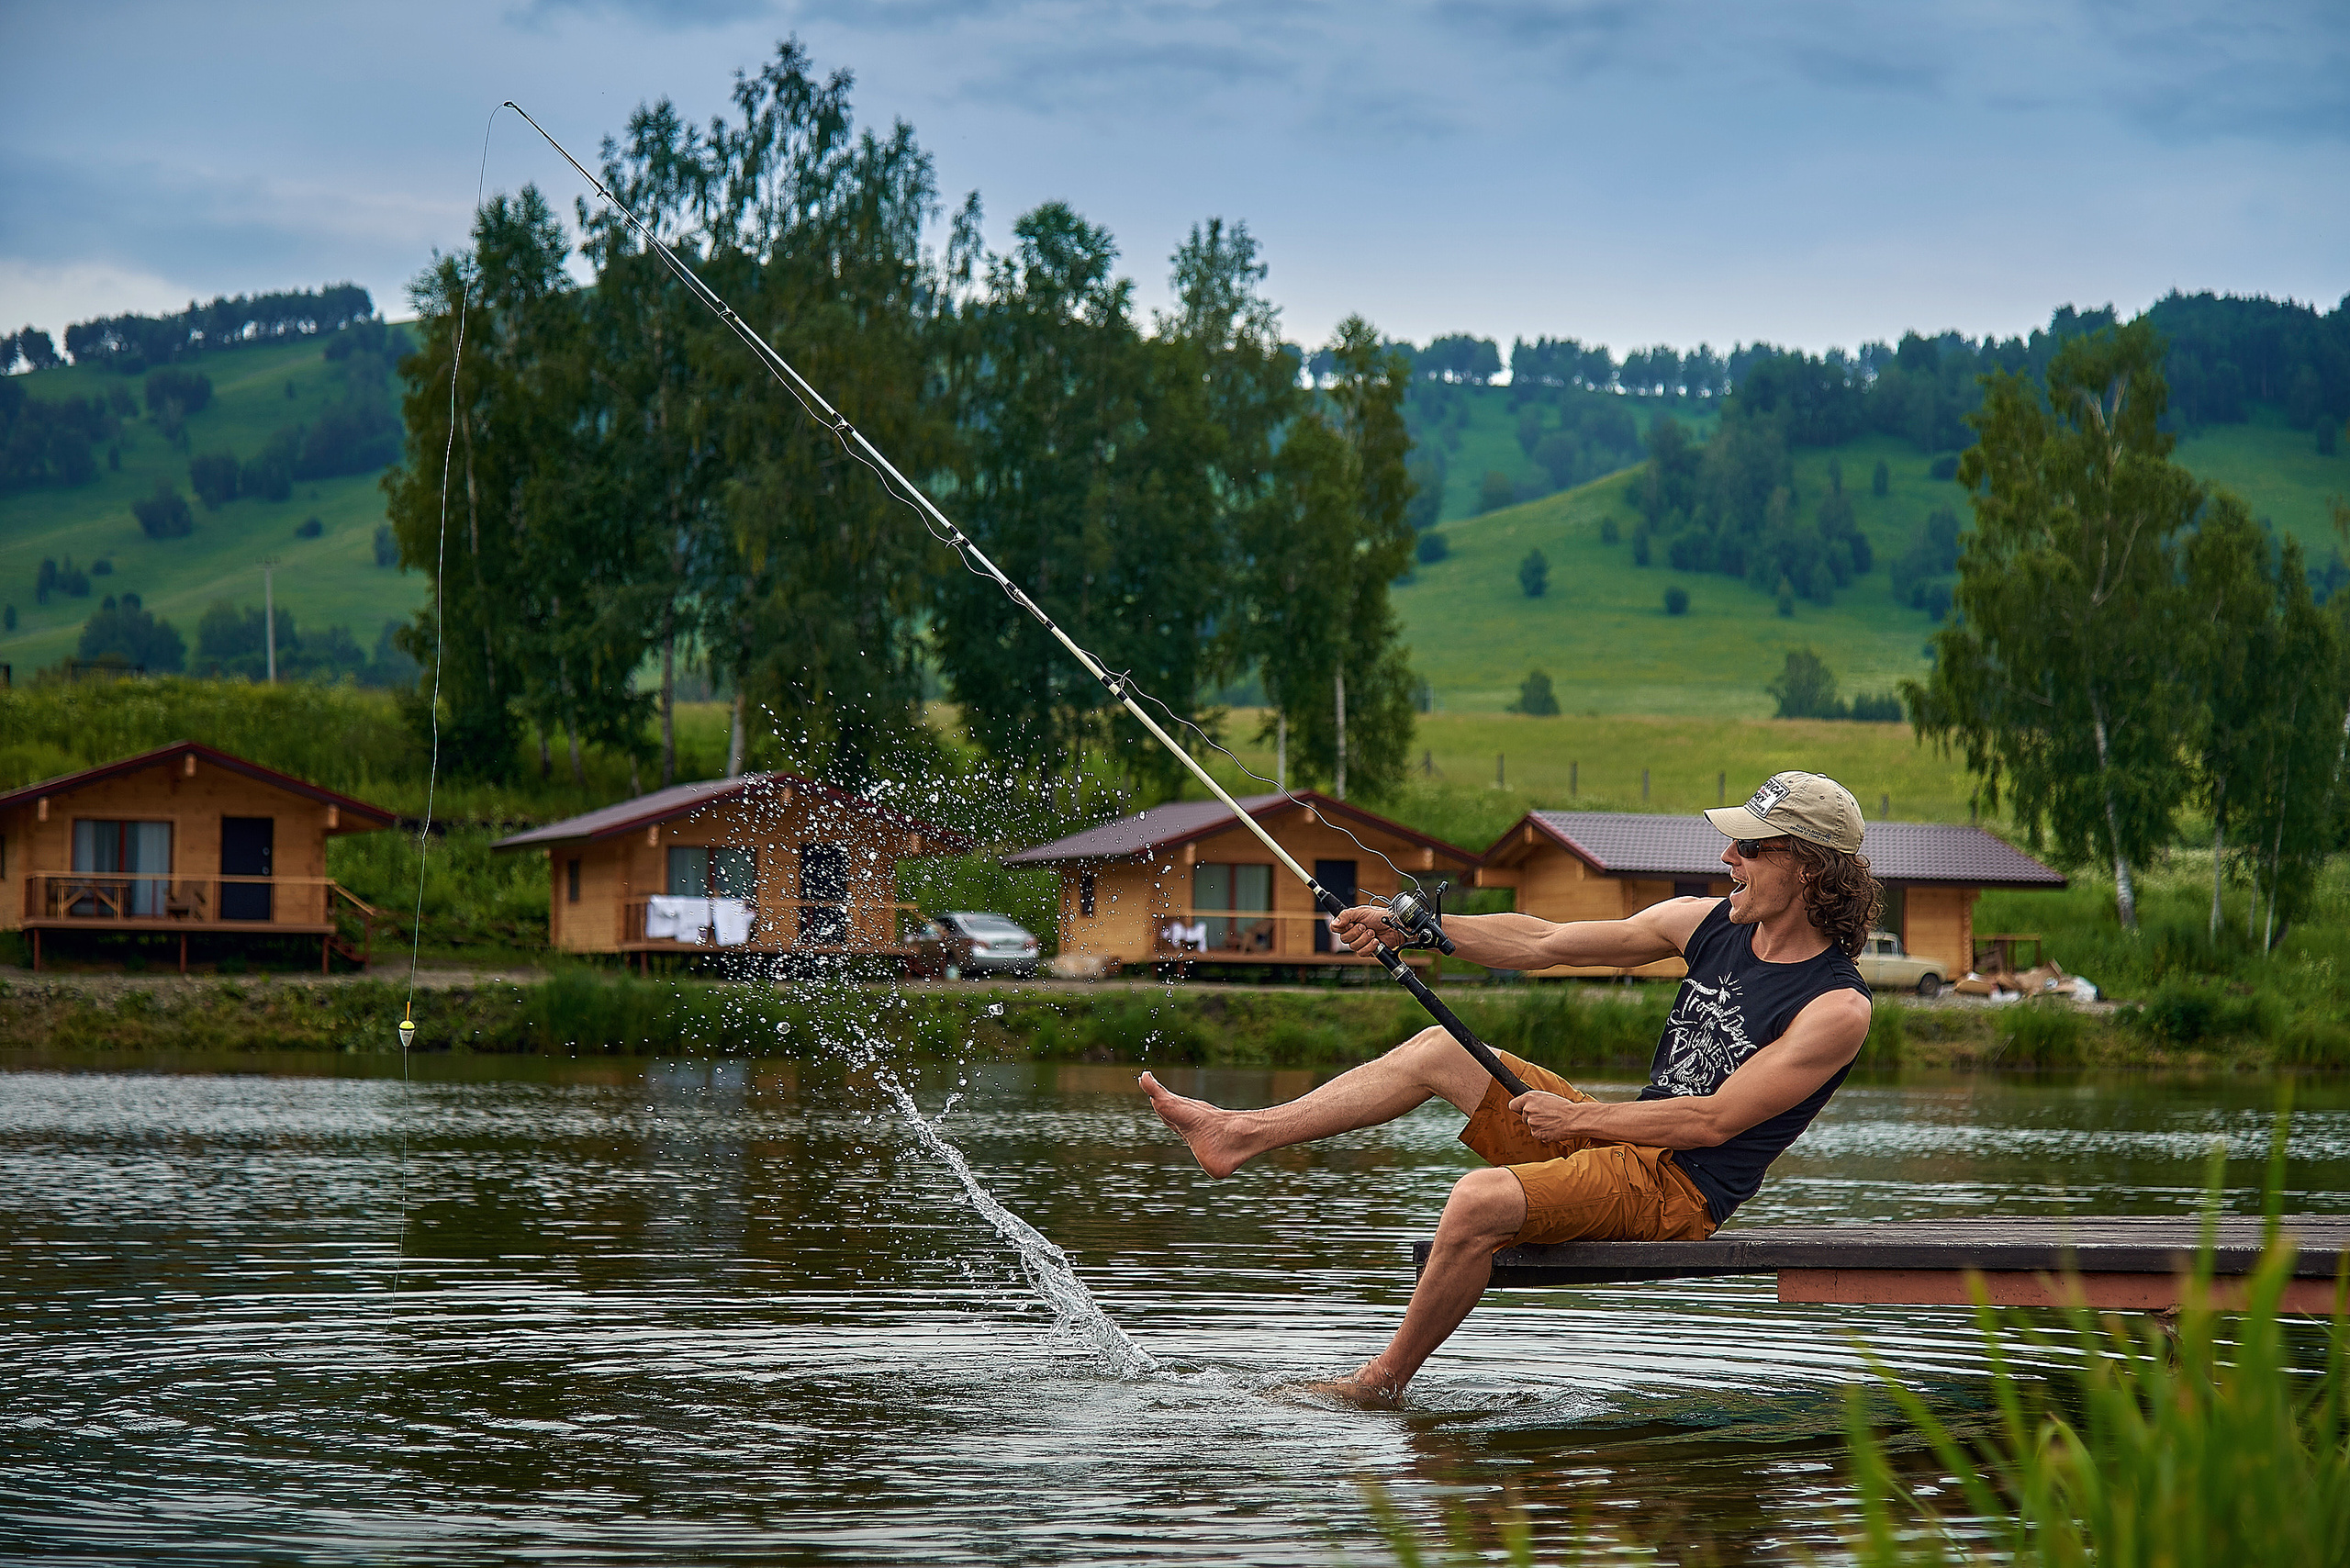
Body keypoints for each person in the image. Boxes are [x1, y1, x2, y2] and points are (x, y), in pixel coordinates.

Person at [1138, 771, 1879, 1405]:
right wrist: (1421, 928)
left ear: (1807, 866)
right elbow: (1544, 942)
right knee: (1441, 1050)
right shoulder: (1705, 923)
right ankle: (1237, 1134)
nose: (1728, 857)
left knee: (1477, 1198)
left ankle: (1380, 1384)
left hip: (1675, 1189)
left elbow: (1715, 1121)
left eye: (1749, 847)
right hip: (1621, 1140)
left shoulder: (1835, 1008)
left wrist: (1578, 1119)